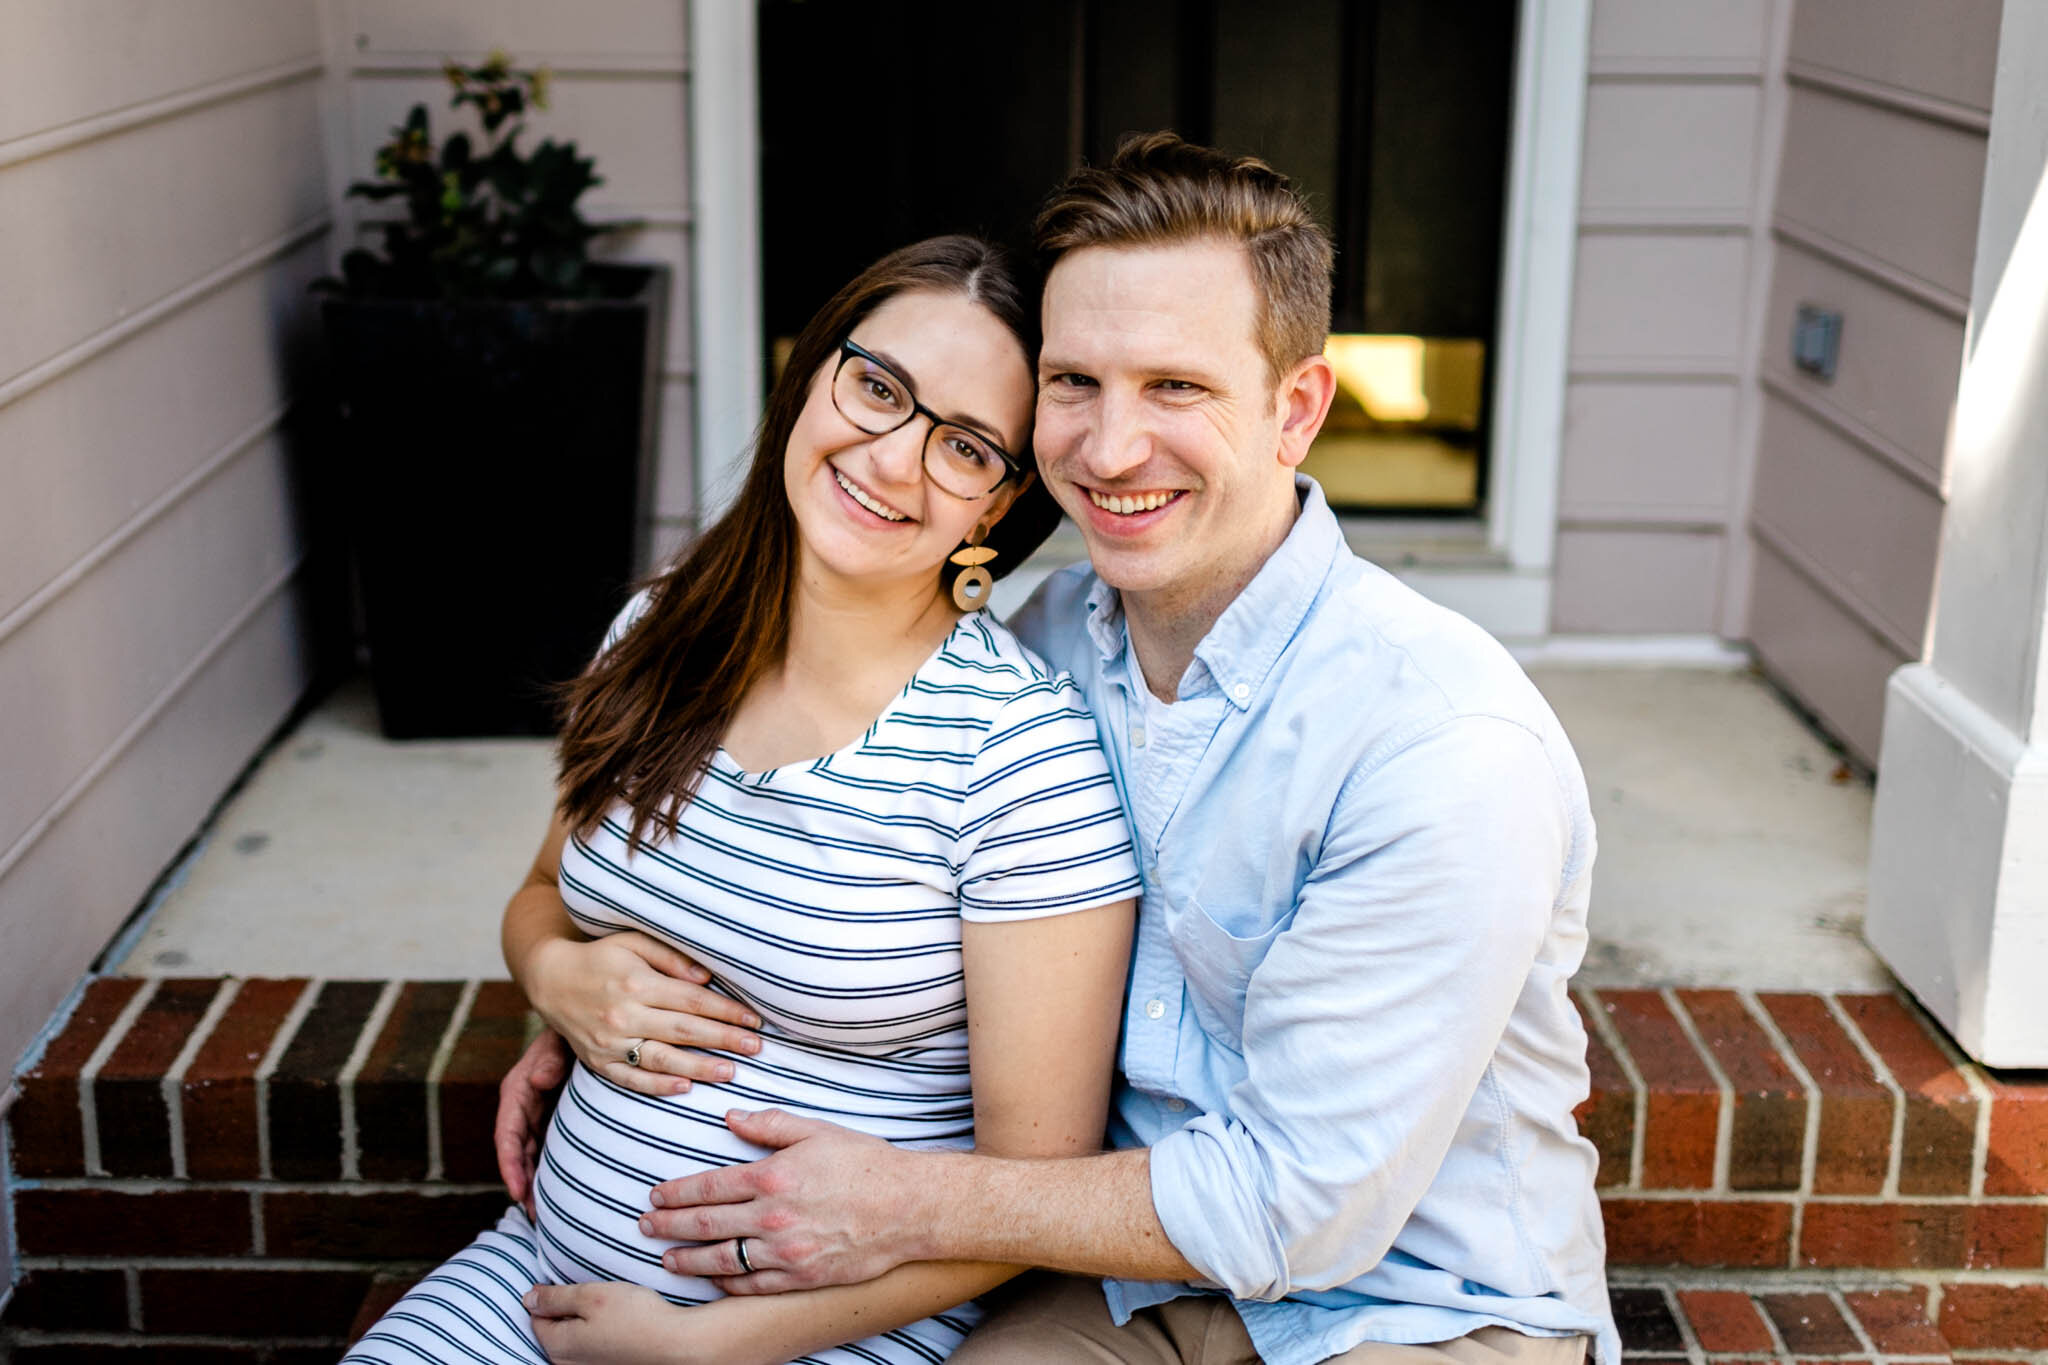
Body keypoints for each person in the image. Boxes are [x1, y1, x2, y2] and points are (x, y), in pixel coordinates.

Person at [499, 134, 1621, 1365]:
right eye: (1075, 383)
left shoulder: (1440, 747)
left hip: (1417, 1301)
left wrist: (905, 1204)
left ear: (1295, 408)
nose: (1106, 448)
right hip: (1124, 1279)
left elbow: (1298, 1206)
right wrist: (578, 1000)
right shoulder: (1037, 646)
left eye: (1175, 389)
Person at [344, 235, 1141, 1365]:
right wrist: (554, 977)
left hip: (816, 1343)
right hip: (538, 1285)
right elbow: (541, 895)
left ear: (999, 507)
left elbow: (1032, 1197)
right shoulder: (663, 632)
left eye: (962, 446)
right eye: (876, 388)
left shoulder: (1016, 758)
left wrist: (706, 1349)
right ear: (811, 373)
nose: (892, 458)